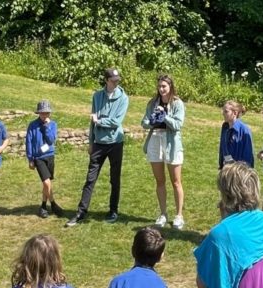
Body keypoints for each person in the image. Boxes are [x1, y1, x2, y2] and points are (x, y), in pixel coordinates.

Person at [67, 67, 130, 226]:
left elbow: (116, 122)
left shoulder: (123, 98)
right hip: (98, 144)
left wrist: (100, 121)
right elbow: (91, 120)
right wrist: (90, 142)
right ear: (106, 80)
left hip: (116, 142)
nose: (116, 83)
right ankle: (81, 212)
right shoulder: (97, 96)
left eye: (118, 80)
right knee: (90, 178)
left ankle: (113, 211)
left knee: (114, 179)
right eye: (113, 80)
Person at [141, 75, 186, 230]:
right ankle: (163, 213)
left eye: (164, 86)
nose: (161, 89)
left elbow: (178, 124)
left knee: (176, 181)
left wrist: (165, 116)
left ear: (170, 87)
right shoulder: (153, 102)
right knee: (160, 181)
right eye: (159, 86)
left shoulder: (177, 103)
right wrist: (151, 121)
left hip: (171, 143)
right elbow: (144, 122)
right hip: (155, 140)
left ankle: (179, 215)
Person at [25, 100, 64, 219]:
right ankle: (53, 204)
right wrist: (30, 159)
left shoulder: (53, 125)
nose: (44, 115)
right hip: (38, 157)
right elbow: (29, 142)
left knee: (46, 184)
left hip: (50, 155)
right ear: (38, 113)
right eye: (42, 113)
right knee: (47, 182)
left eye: (46, 113)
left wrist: (46, 127)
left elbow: (51, 140)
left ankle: (43, 206)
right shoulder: (32, 125)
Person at [218, 100, 254, 168]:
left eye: (226, 111)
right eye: (223, 111)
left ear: (234, 113)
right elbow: (223, 149)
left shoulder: (244, 130)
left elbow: (248, 155)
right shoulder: (225, 127)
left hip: (239, 171)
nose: (223, 113)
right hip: (226, 168)